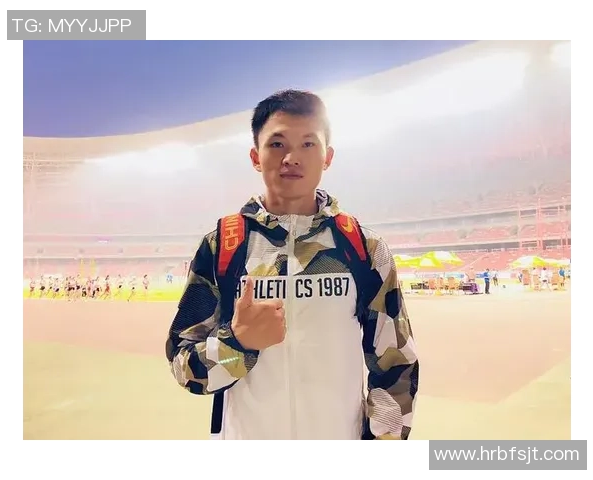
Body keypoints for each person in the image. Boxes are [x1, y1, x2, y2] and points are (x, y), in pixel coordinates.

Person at [165, 89, 419, 440]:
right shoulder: (223, 246)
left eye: (308, 144)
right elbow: (183, 367)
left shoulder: (363, 247)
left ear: (328, 157)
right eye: (277, 144)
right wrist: (237, 344)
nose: (292, 158)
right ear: (256, 157)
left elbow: (397, 364)